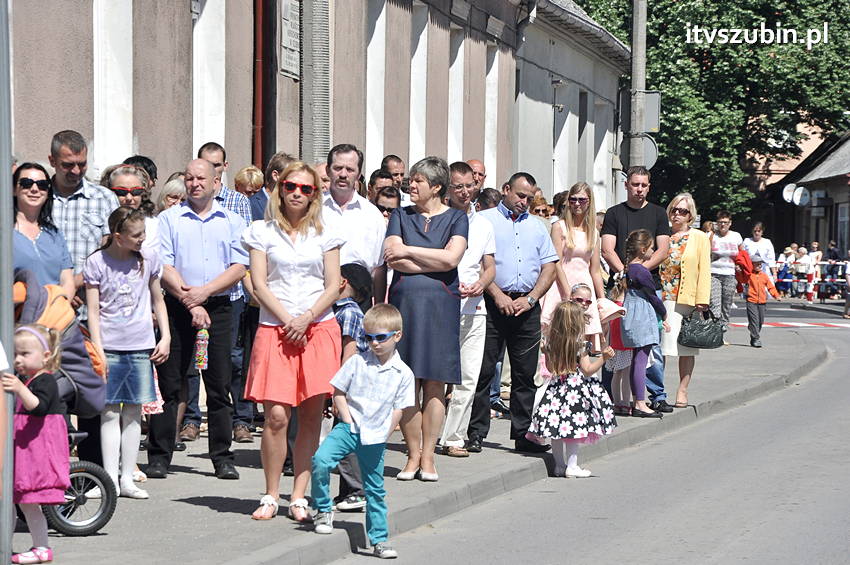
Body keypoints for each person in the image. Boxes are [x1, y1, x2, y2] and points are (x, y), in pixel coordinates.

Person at [242, 161, 343, 522]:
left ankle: (299, 496)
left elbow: (334, 284)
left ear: (315, 193)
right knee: (276, 417)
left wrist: (306, 318)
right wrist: (289, 320)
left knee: (312, 417)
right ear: (279, 188)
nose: (297, 193)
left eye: (306, 188)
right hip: (276, 330)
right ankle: (270, 493)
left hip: (318, 329)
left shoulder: (325, 233)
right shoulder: (261, 232)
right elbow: (259, 284)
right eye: (291, 186)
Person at [146, 159, 248, 480]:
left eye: (201, 178)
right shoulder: (169, 219)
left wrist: (203, 294)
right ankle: (160, 456)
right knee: (171, 383)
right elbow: (164, 266)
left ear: (216, 181)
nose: (194, 184)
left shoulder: (231, 220)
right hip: (178, 307)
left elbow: (238, 267)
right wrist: (191, 301)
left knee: (218, 386)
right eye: (189, 178)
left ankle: (222, 457)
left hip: (218, 309)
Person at [384, 156, 468, 480]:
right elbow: (393, 255)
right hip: (405, 307)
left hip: (441, 308)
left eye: (418, 180)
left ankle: (429, 456)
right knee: (407, 383)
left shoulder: (457, 219)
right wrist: (436, 261)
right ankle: (412, 455)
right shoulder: (400, 215)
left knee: (435, 382)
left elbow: (453, 258)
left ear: (436, 186)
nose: (411, 185)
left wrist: (412, 251)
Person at [311, 304, 414, 560]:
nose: (374, 343)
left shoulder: (403, 373)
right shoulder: (357, 361)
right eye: (369, 338)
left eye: (381, 337)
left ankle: (379, 539)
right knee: (321, 461)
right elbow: (338, 391)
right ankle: (323, 509)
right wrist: (347, 420)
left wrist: (386, 433)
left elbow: (399, 409)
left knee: (374, 489)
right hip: (349, 427)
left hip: (376, 436)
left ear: (397, 335)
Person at [467, 172, 557, 453]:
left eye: (530, 198)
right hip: (492, 303)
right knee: (482, 370)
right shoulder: (484, 220)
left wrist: (531, 299)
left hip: (526, 307)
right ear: (506, 190)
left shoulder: (538, 226)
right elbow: (477, 264)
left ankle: (523, 434)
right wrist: (497, 295)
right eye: (520, 195)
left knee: (524, 374)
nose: (524, 202)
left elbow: (550, 267)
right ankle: (476, 432)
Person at [84, 207, 170, 499]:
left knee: (133, 412)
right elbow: (93, 310)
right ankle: (107, 478)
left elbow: (158, 300)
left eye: (144, 233)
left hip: (140, 345)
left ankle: (127, 476)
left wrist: (166, 336)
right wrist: (97, 345)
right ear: (118, 237)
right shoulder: (97, 262)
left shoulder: (148, 260)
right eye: (136, 235)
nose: (142, 240)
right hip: (109, 345)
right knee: (108, 412)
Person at [49, 130, 120, 466]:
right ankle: (55, 463)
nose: (75, 171)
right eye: (68, 165)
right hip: (46, 311)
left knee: (90, 388)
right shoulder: (37, 195)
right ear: (52, 162)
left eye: (81, 164)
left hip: (89, 308)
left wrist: (77, 285)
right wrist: (58, 294)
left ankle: (90, 470)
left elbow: (110, 251)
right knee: (49, 391)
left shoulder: (103, 199)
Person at [600, 165, 672, 413]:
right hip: (620, 289)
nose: (639, 189)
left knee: (650, 346)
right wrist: (625, 272)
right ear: (627, 185)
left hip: (648, 287)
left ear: (648, 186)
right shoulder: (614, 213)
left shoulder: (658, 213)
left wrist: (638, 272)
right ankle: (607, 396)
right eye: (635, 184)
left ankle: (657, 394)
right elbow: (607, 248)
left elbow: (663, 250)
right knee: (614, 344)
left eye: (643, 185)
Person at [439, 162, 496, 458]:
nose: (465, 191)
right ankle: (426, 434)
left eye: (469, 185)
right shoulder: (439, 218)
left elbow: (489, 268)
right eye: (458, 186)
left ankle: (454, 437)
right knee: (435, 378)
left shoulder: (484, 224)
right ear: (447, 189)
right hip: (442, 306)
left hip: (474, 308)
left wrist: (480, 285)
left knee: (468, 377)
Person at [2, 325, 69, 565]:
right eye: (15, 353)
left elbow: (39, 408)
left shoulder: (45, 381)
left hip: (38, 452)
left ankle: (42, 548)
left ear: (46, 355)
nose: (18, 359)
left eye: (25, 354)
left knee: (30, 504)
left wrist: (19, 389)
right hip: (24, 451)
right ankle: (5, 545)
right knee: (12, 500)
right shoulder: (27, 379)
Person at [526, 301, 616, 477]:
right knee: (574, 428)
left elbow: (552, 370)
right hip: (575, 390)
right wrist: (603, 357)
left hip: (555, 390)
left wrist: (545, 352)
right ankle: (572, 466)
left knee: (557, 428)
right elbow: (588, 370)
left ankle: (559, 465)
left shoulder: (551, 344)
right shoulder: (580, 345)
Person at [659, 194, 711, 409]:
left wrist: (702, 299)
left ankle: (682, 388)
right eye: (675, 210)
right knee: (660, 347)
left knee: (685, 346)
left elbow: (704, 269)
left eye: (683, 211)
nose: (677, 215)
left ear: (691, 215)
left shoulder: (698, 237)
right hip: (661, 296)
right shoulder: (662, 234)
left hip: (685, 297)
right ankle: (657, 391)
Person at [330, 262, 374, 511]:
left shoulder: (348, 312)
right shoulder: (345, 310)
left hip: (352, 387)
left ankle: (358, 492)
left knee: (345, 440)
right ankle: (348, 492)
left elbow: (349, 352)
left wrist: (340, 392)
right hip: (350, 386)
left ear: (343, 282)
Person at [541, 182, 604, 349]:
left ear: (589, 202)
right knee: (558, 338)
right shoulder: (559, 226)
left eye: (582, 200)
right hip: (561, 285)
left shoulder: (594, 232)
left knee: (581, 341)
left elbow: (595, 270)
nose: (577, 204)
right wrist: (568, 291)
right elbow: (556, 262)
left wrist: (602, 299)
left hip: (584, 286)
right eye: (573, 199)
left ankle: (576, 375)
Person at [620, 229, 669, 417]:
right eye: (651, 248)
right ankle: (640, 402)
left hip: (631, 313)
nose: (653, 251)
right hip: (642, 314)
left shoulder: (628, 269)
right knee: (641, 359)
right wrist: (663, 314)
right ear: (642, 249)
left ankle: (637, 400)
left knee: (636, 359)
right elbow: (653, 297)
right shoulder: (641, 271)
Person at [12, 163, 75, 298]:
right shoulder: (5, 232)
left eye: (41, 185)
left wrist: (59, 307)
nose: (34, 189)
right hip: (16, 315)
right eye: (26, 183)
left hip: (54, 314)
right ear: (13, 190)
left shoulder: (55, 234)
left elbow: (67, 281)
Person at [105, 164, 160, 254]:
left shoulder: (153, 225)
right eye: (121, 192)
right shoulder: (101, 220)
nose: (129, 198)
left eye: (136, 191)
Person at [709, 210, 742, 335]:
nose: (723, 225)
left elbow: (742, 254)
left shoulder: (736, 236)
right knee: (715, 302)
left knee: (727, 303)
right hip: (713, 272)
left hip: (730, 273)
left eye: (725, 222)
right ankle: (714, 329)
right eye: (720, 222)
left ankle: (723, 327)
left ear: (730, 223)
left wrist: (740, 265)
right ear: (717, 223)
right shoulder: (711, 236)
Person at [743, 255, 781, 347]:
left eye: (761, 264)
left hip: (762, 302)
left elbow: (770, 287)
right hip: (751, 301)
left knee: (760, 322)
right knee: (754, 320)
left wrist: (776, 296)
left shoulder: (764, 276)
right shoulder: (748, 275)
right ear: (751, 265)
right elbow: (741, 277)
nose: (760, 265)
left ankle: (753, 332)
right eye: (757, 264)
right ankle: (756, 338)